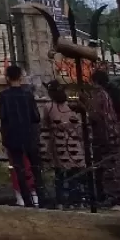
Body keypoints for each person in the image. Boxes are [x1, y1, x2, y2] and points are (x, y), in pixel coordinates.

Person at [0, 64, 44, 207]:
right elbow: (36, 116)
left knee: (19, 169)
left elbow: (3, 116)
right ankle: (41, 197)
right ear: (20, 76)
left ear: (7, 77)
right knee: (35, 167)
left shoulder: (4, 95)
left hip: (13, 136)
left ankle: (26, 199)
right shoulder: (28, 94)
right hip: (29, 134)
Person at [85, 68, 120, 207]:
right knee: (118, 165)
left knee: (108, 166)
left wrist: (84, 106)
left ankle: (112, 196)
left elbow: (97, 115)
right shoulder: (113, 91)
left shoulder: (100, 94)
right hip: (115, 131)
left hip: (106, 134)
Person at [41, 80, 86, 209]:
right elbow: (79, 125)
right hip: (73, 142)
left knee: (59, 174)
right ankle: (76, 200)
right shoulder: (71, 106)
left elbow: (45, 125)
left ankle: (61, 201)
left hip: (59, 143)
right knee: (74, 174)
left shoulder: (48, 107)